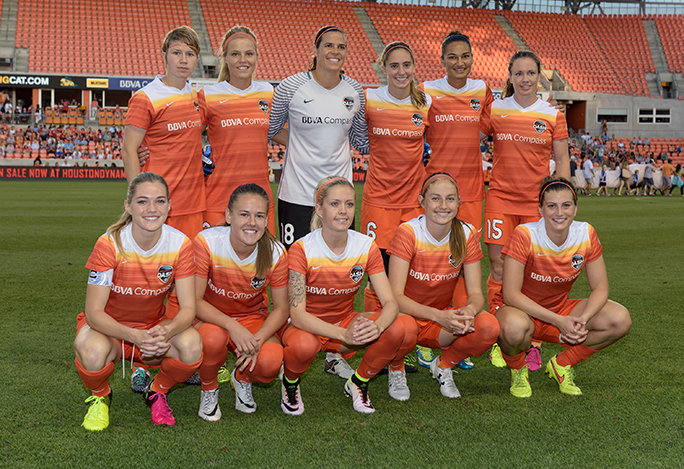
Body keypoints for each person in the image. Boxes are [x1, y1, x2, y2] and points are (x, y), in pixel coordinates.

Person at [73, 172, 202, 430]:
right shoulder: (109, 244)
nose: (152, 209)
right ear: (128, 206)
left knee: (192, 345)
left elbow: (188, 309)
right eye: (142, 201)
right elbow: (94, 313)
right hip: (109, 330)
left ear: (169, 206)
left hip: (152, 330)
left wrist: (164, 331)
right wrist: (134, 336)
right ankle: (100, 397)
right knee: (91, 351)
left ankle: (157, 392)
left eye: (160, 201)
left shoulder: (180, 244)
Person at [281, 177, 417, 414]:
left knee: (399, 326)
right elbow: (298, 315)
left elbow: (390, 303)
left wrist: (378, 327)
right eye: (334, 204)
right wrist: (342, 333)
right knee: (303, 345)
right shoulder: (302, 249)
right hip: (308, 330)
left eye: (349, 204)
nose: (343, 211)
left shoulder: (365, 246)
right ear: (319, 209)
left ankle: (358, 382)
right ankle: (290, 383)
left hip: (344, 329)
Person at [495, 177, 631, 397]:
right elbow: (510, 295)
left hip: (560, 311)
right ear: (540, 209)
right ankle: (518, 368)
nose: (559, 212)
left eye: (566, 205)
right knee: (512, 328)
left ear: (575, 208)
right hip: (522, 312)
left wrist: (582, 320)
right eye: (551, 206)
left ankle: (562, 364)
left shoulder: (586, 234)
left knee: (619, 319)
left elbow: (600, 288)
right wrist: (560, 321)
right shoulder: (525, 234)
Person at [481, 50, 569, 370]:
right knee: (500, 266)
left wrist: (564, 199)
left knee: (533, 274)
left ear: (539, 76)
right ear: (509, 76)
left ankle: (531, 342)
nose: (525, 79)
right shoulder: (496, 108)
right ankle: (496, 331)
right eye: (518, 73)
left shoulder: (552, 114)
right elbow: (467, 132)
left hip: (536, 205)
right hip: (500, 200)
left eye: (530, 73)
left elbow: (562, 159)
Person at [387, 173, 499, 399]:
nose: (443, 205)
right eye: (435, 198)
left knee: (488, 327)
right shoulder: (409, 232)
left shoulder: (466, 234)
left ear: (459, 202)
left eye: (450, 199)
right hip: (406, 317)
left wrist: (468, 311)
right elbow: (395, 297)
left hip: (440, 321)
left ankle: (444, 365)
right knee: (404, 329)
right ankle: (396, 368)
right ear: (421, 201)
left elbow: (477, 294)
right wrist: (438, 315)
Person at [268, 25, 368, 250]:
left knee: (337, 267)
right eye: (329, 46)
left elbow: (361, 141)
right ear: (316, 50)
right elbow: (271, 129)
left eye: (341, 47)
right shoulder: (290, 87)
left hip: (339, 197)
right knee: (294, 265)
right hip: (298, 195)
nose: (335, 51)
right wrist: (300, 143)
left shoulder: (355, 91)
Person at [193, 184, 288, 420]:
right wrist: (232, 326)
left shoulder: (276, 252)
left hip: (252, 319)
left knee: (270, 364)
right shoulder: (207, 242)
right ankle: (209, 388)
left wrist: (258, 339)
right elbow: (194, 301)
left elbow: (282, 308)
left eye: (259, 216)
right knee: (212, 339)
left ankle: (241, 378)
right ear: (228, 216)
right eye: (244, 214)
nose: (251, 222)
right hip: (210, 318)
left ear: (267, 220)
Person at [123, 26, 205, 242]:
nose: (183, 60)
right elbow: (129, 149)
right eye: (176, 53)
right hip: (159, 204)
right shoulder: (146, 97)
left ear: (197, 58)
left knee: (190, 271)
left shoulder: (197, 97)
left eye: (190, 54)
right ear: (164, 56)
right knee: (159, 272)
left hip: (195, 203)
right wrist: (137, 200)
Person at [198, 26, 277, 233]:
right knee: (216, 265)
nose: (243, 60)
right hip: (218, 199)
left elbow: (283, 134)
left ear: (257, 57)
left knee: (261, 264)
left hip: (260, 200)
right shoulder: (208, 95)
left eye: (249, 54)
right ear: (225, 58)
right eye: (235, 54)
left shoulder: (269, 92)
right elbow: (185, 136)